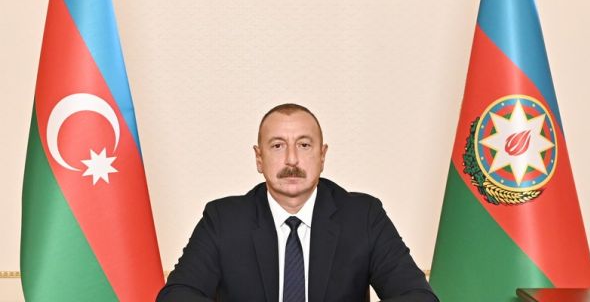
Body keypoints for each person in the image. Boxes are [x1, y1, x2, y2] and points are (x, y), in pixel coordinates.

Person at [157, 104, 438, 302]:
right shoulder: (224, 220)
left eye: (304, 145)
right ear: (259, 158)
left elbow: (417, 297)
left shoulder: (363, 216)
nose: (291, 159)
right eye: (277, 146)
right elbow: (177, 296)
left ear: (322, 155)